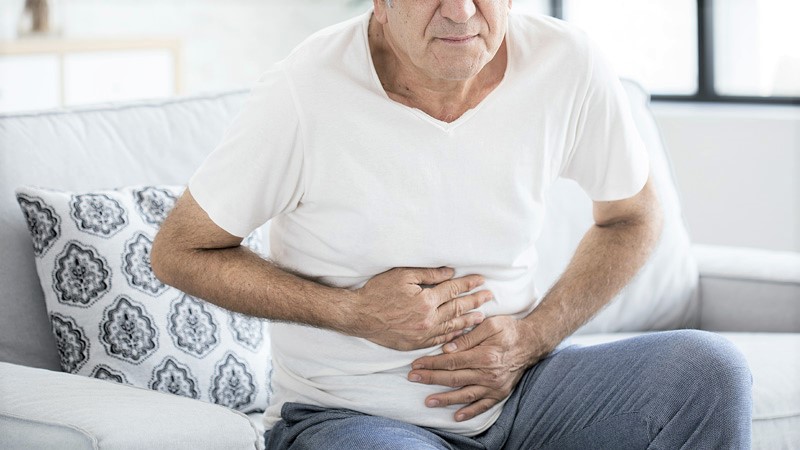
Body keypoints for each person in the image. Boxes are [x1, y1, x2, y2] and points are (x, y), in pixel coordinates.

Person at [151, 1, 753, 448]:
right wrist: (351, 312)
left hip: (520, 393)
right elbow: (180, 251)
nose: (462, 12)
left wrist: (534, 337)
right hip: (353, 417)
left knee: (707, 373)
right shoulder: (303, 90)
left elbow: (632, 216)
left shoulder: (566, 62)